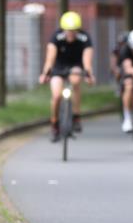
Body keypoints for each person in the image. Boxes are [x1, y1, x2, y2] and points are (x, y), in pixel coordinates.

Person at [39, 11, 94, 142]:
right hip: (59, 66)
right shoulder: (56, 37)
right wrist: (45, 74)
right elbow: (50, 58)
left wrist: (89, 75)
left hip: (75, 65)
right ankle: (54, 124)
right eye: (68, 31)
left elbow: (87, 60)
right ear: (63, 29)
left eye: (74, 31)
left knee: (75, 81)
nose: (71, 34)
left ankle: (76, 116)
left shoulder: (85, 38)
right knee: (57, 95)